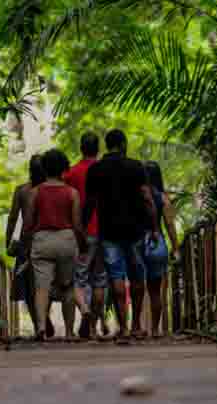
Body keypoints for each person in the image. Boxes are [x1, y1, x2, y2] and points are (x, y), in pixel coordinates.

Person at [84, 129, 159, 338]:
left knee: (116, 276)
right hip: (135, 231)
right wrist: (154, 228)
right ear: (124, 144)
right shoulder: (136, 166)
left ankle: (124, 328)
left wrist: (81, 230)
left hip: (108, 232)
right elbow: (147, 197)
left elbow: (89, 203)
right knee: (137, 275)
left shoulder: (96, 170)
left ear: (107, 146)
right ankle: (135, 325)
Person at [23, 149, 87, 340]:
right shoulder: (72, 193)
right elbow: (77, 224)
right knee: (67, 286)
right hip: (66, 240)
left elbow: (27, 224)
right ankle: (68, 332)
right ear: (64, 168)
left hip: (42, 241)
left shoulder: (35, 192)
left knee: (41, 287)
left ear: (44, 168)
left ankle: (41, 327)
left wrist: (25, 246)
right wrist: (82, 244)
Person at [63, 132, 108, 339]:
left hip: (82, 232)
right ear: (98, 148)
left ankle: (85, 313)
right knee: (99, 281)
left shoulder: (70, 174)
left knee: (79, 280)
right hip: (105, 231)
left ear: (81, 148)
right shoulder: (106, 171)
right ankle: (92, 327)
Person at [6, 155, 55, 338]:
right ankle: (43, 318)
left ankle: (38, 324)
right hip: (46, 239)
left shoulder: (22, 191)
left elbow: (12, 218)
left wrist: (8, 241)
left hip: (26, 244)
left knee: (28, 286)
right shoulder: (51, 190)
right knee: (44, 282)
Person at [143, 161, 179, 337]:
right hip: (157, 244)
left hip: (137, 243)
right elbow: (170, 225)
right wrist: (176, 248)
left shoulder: (137, 196)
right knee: (155, 291)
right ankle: (156, 330)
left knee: (136, 287)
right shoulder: (163, 198)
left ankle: (134, 327)